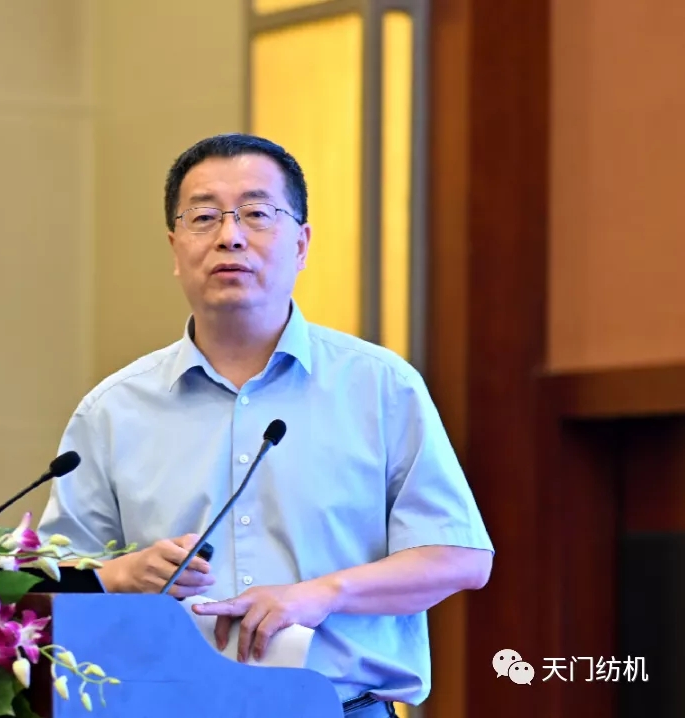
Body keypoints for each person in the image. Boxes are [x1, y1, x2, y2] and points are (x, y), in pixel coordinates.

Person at [36, 133, 494, 716]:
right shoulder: (113, 409)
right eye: (204, 216)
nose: (230, 236)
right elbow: (46, 583)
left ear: (301, 244)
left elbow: (460, 557)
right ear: (175, 248)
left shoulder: (380, 386)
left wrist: (321, 595)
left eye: (256, 213)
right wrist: (120, 575)